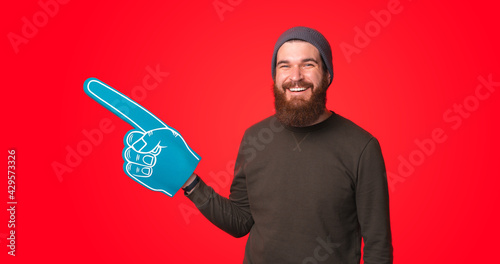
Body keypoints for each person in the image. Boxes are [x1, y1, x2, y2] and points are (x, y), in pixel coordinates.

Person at [181, 26, 393, 264]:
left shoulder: (362, 147)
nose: (295, 76)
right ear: (275, 77)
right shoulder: (254, 138)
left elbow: (378, 246)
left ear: (327, 75)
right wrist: (188, 181)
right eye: (285, 65)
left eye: (308, 64)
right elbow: (240, 221)